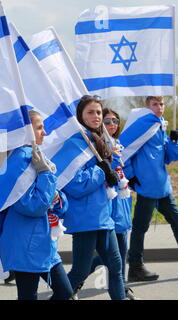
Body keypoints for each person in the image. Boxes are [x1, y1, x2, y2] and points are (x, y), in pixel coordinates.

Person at [0, 110, 73, 300]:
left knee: (65, 293)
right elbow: (32, 206)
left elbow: (57, 201)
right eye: (40, 127)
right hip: (25, 244)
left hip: (43, 243)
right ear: (26, 131)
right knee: (28, 296)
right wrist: (46, 175)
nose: (45, 132)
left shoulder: (36, 155)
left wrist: (57, 198)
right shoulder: (17, 161)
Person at [62, 95, 126, 300]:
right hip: (85, 218)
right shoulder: (75, 143)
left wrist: (111, 171)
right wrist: (101, 171)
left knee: (116, 267)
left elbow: (109, 180)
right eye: (90, 112)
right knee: (80, 272)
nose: (96, 116)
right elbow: (75, 185)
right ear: (80, 116)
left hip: (104, 216)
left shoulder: (101, 142)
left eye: (98, 112)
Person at [72, 108, 138, 300]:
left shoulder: (117, 145)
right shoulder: (95, 148)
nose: (111, 125)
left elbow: (123, 174)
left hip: (122, 210)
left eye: (115, 121)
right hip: (109, 211)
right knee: (107, 261)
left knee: (115, 260)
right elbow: (95, 178)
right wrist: (111, 160)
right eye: (107, 121)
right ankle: (71, 285)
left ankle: (118, 292)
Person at [122, 96, 178, 282]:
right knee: (140, 228)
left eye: (161, 104)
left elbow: (169, 157)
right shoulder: (143, 124)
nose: (159, 107)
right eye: (155, 104)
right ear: (147, 106)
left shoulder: (160, 125)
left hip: (163, 186)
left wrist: (174, 142)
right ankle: (135, 267)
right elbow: (124, 150)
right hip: (146, 187)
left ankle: (135, 267)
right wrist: (131, 176)